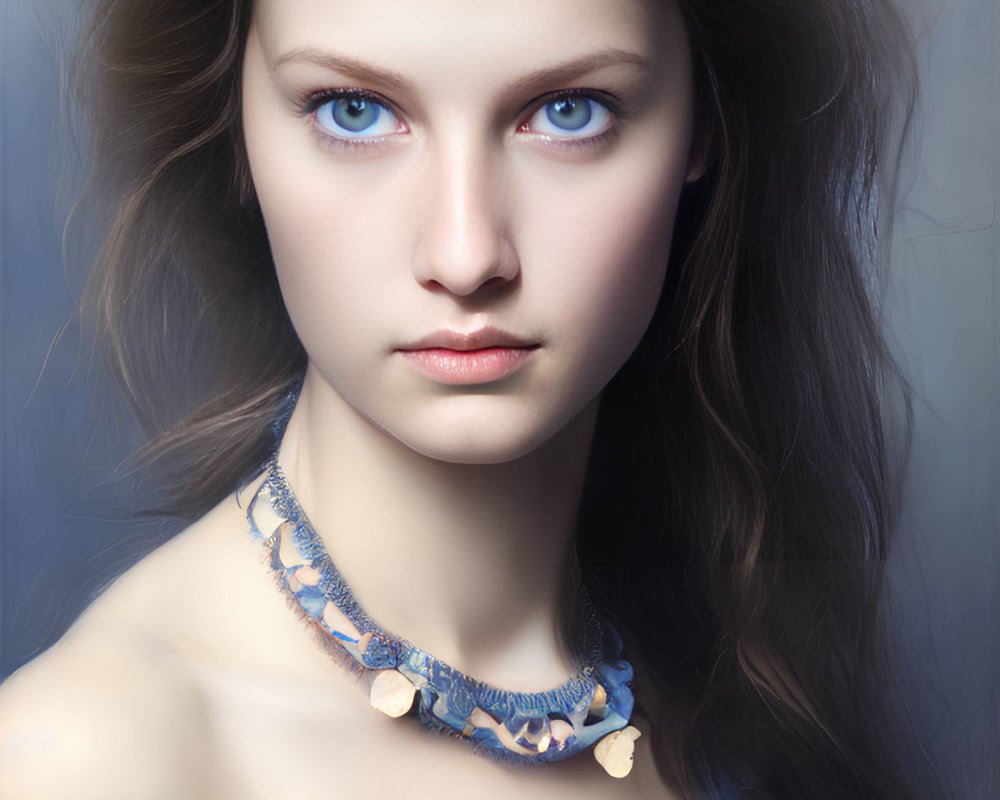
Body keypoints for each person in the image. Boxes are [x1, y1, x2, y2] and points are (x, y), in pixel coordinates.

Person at [0, 0, 932, 797]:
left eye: (569, 112)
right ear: (236, 125)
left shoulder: (729, 690)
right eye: (354, 110)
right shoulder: (91, 761)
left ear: (704, 127)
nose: (465, 253)